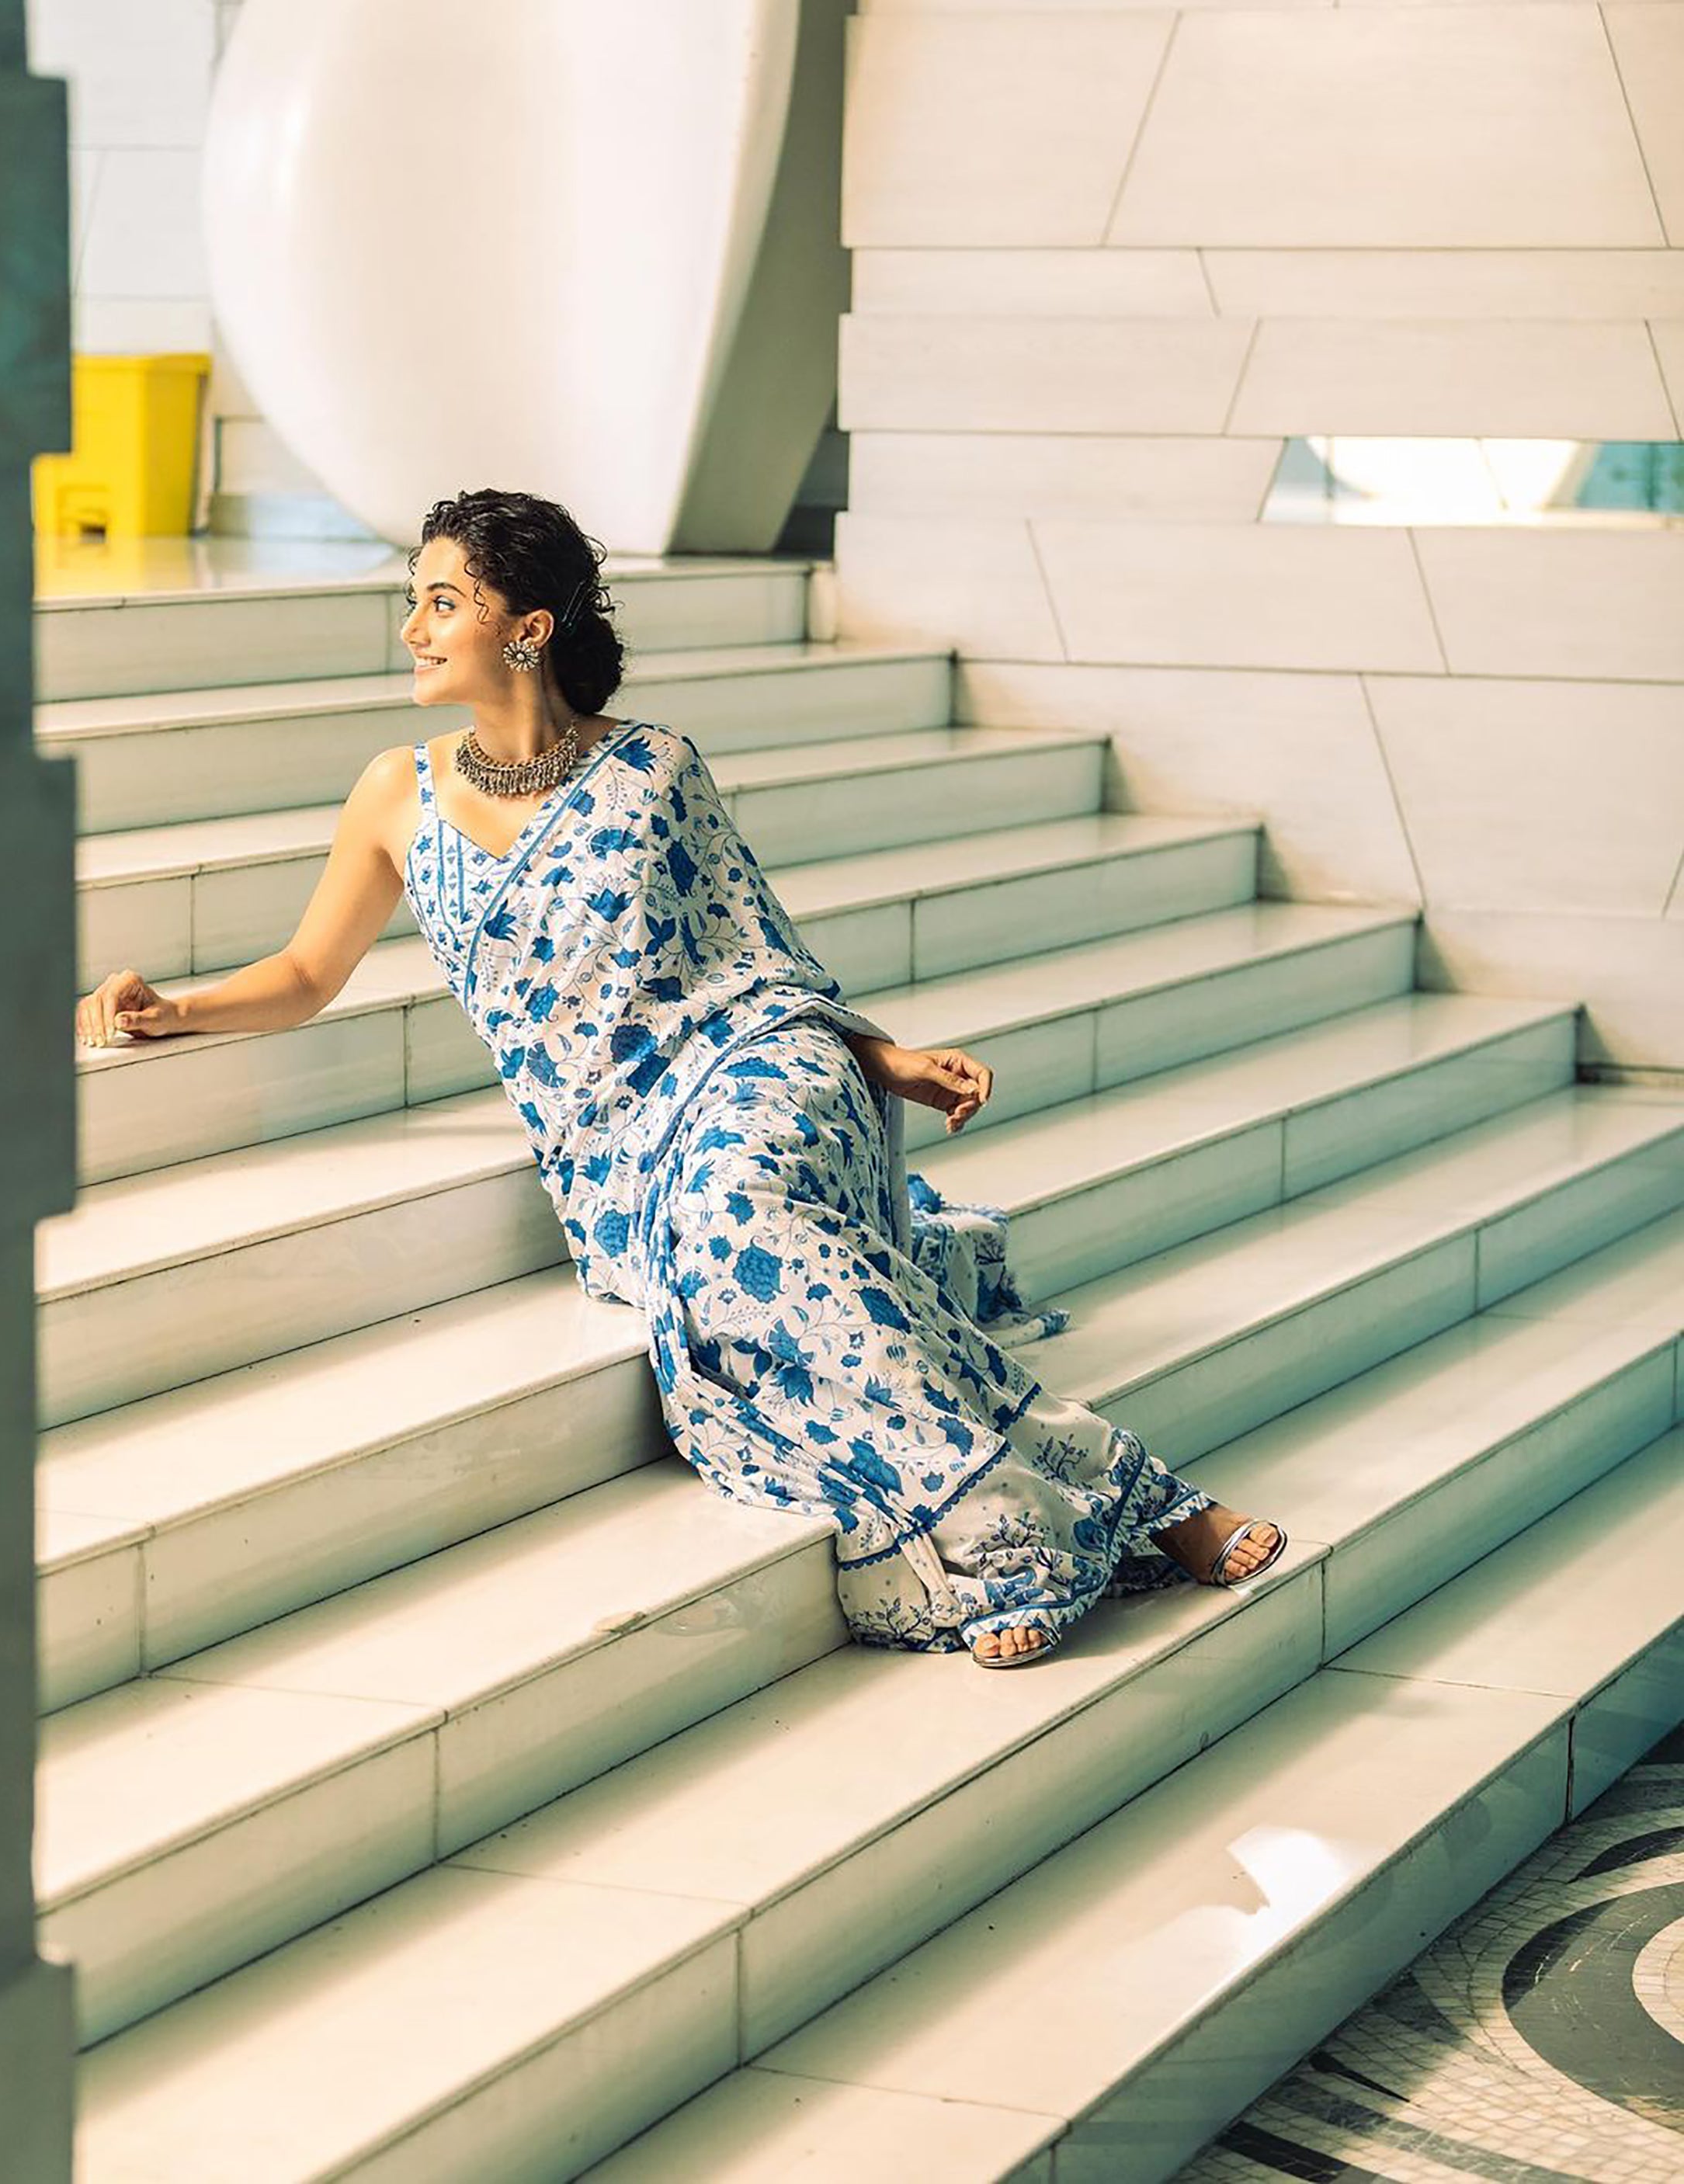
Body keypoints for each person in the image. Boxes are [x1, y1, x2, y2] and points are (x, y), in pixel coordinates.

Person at [76, 488, 1286, 1667]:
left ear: (526, 628)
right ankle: (1127, 1495)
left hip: (758, 1068)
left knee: (742, 1209)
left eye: (442, 602)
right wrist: (173, 1008)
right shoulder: (399, 791)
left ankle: (1014, 1538)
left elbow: (754, 955)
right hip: (612, 1152)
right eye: (416, 599)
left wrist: (884, 1059)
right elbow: (306, 971)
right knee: (749, 1242)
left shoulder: (651, 768)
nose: (412, 628)